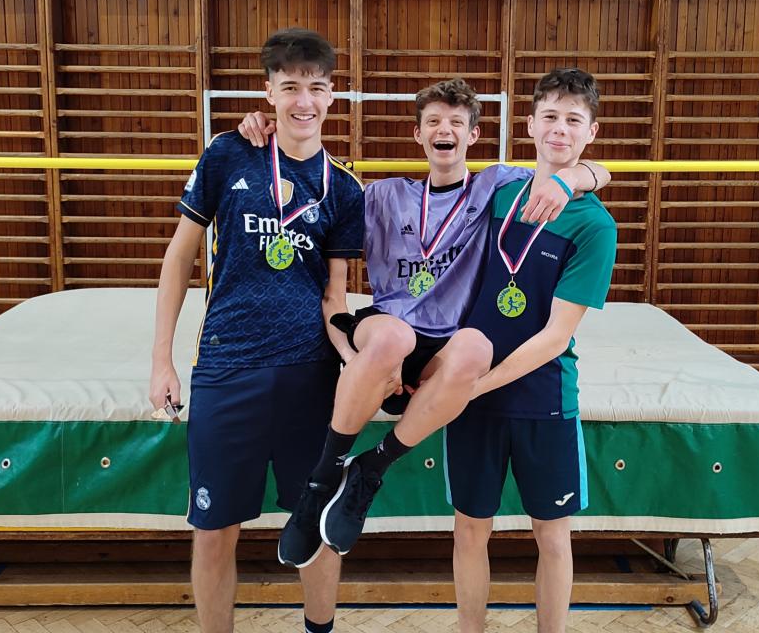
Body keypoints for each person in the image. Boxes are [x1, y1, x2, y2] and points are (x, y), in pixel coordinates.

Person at [236, 78, 610, 563]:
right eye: (433, 121)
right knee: (393, 336)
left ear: (474, 135)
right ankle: (321, 479)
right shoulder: (384, 194)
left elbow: (584, 167)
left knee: (475, 346)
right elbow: (317, 187)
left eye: (456, 122)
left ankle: (371, 469)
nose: (444, 130)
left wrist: (572, 178)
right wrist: (268, 133)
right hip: (387, 332)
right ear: (418, 134)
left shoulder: (496, 186)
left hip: (442, 350)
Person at [148, 27, 364, 633]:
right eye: (289, 86)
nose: (303, 101)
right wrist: (161, 360)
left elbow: (336, 296)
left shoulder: (345, 189)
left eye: (315, 88)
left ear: (332, 95)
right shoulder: (228, 154)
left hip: (309, 375)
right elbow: (178, 257)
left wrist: (361, 364)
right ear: (269, 92)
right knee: (214, 528)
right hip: (227, 367)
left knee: (316, 523)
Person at [447, 68, 618, 633]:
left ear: (591, 132)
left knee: (552, 534)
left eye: (573, 119)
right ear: (529, 124)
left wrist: (473, 386)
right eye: (550, 116)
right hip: (473, 399)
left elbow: (555, 336)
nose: (559, 129)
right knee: (470, 529)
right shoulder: (499, 194)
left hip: (543, 399)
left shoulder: (595, 227)